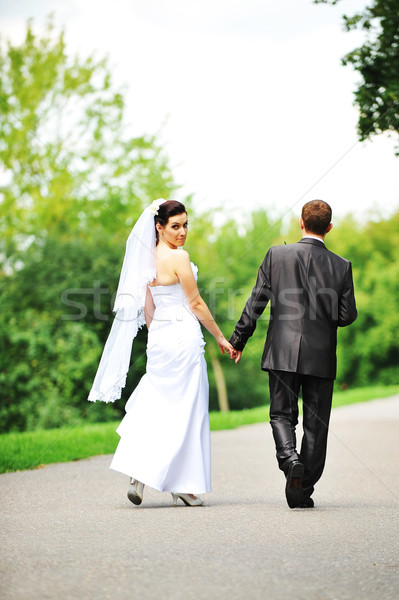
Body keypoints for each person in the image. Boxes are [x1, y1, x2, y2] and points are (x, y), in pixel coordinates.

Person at [89, 199, 234, 507]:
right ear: (159, 226)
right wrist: (220, 337)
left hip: (159, 341)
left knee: (157, 403)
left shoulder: (146, 259)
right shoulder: (179, 257)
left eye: (185, 226)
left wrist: (155, 338)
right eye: (175, 226)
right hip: (182, 337)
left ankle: (139, 472)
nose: (182, 232)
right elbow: (195, 303)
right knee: (188, 409)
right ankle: (181, 484)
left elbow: (149, 307)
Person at [229, 200, 357, 508]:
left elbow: (256, 301)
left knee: (281, 414)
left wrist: (239, 339)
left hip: (282, 351)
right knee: (316, 423)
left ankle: (289, 461)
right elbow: (347, 315)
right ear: (329, 227)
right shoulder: (342, 266)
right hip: (321, 356)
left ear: (301, 222)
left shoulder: (277, 255)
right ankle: (303, 488)